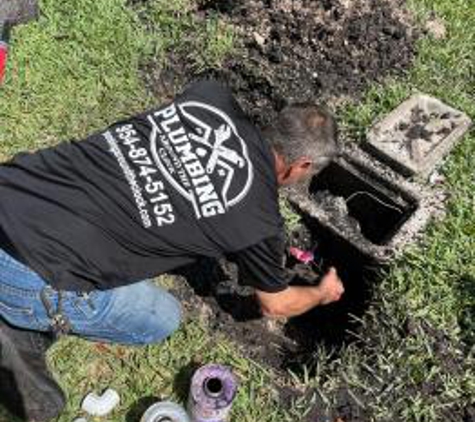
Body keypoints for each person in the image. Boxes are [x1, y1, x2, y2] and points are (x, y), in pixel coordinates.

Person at [0, 79, 344, 421]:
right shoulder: (259, 221)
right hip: (24, 267)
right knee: (160, 317)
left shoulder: (212, 97)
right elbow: (274, 303)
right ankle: (15, 327)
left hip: (12, 189)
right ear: (301, 166)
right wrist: (320, 292)